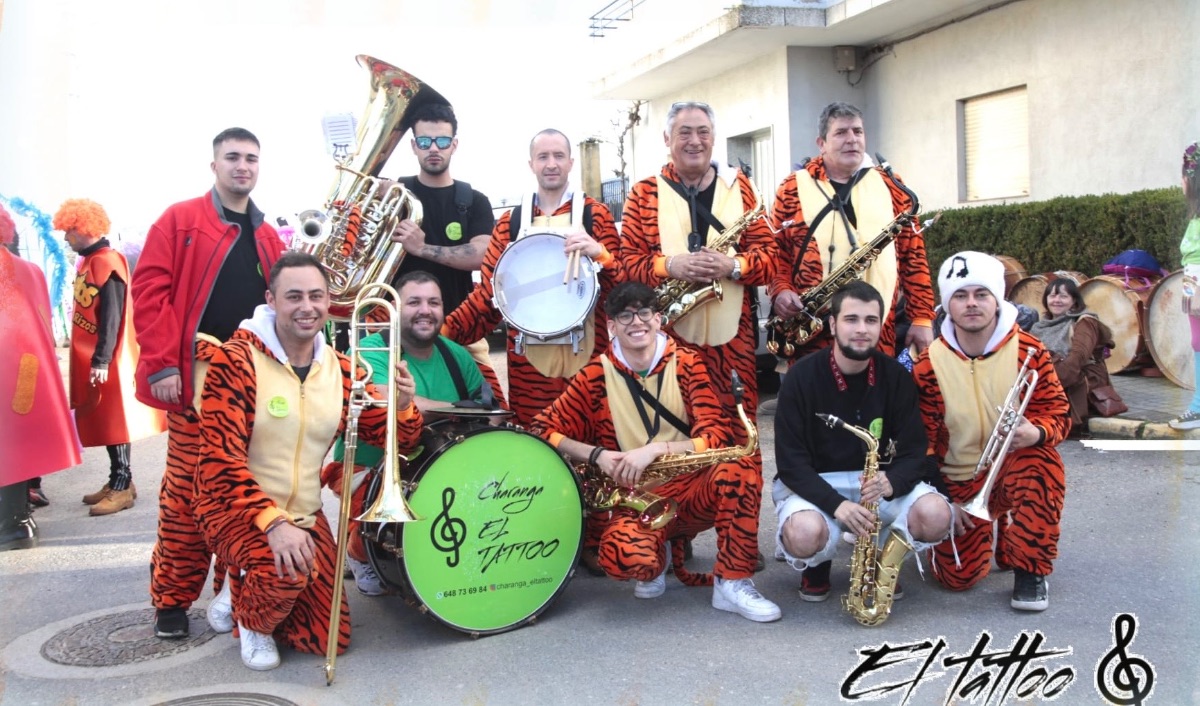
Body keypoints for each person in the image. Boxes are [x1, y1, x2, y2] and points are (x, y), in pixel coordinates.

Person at [192, 252, 422, 670]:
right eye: (294, 296)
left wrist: (404, 405)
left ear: (329, 301)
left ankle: (241, 580)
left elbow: (397, 439)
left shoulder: (344, 370)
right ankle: (252, 621)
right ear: (271, 300)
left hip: (303, 513)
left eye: (317, 296)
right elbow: (218, 461)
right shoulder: (235, 360)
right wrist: (273, 524)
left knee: (329, 636)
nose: (307, 307)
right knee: (287, 573)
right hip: (232, 508)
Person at [533, 282, 781, 622]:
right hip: (638, 495)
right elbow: (541, 429)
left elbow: (716, 435)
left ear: (658, 319)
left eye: (644, 312)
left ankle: (732, 581)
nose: (637, 322)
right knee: (621, 558)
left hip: (692, 488)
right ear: (612, 326)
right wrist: (597, 455)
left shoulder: (688, 363)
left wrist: (656, 450)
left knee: (739, 471)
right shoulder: (594, 375)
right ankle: (657, 552)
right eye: (625, 315)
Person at [132, 127, 285, 639]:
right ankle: (171, 600)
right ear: (214, 164)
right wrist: (164, 364)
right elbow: (149, 294)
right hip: (194, 376)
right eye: (233, 157)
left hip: (253, 381)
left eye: (251, 158)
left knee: (245, 489)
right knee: (185, 495)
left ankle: (232, 592)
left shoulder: (268, 235)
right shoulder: (178, 219)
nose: (243, 166)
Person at [619, 102, 777, 483]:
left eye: (703, 132)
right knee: (671, 439)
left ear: (714, 138)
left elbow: (772, 261)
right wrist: (669, 266)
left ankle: (738, 522)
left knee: (740, 442)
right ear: (667, 139)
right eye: (684, 132)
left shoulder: (743, 189)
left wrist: (732, 266)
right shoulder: (643, 194)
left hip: (733, 347)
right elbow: (625, 266)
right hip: (667, 345)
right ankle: (680, 519)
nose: (695, 141)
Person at [322, 269, 506, 596]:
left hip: (438, 459)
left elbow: (490, 411)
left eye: (434, 303)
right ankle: (357, 550)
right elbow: (390, 402)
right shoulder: (369, 350)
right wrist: (456, 407)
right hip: (372, 467)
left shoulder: (456, 354)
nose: (425, 310)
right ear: (395, 309)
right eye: (414, 302)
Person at [773, 281, 951, 603]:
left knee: (937, 515)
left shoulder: (896, 376)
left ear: (881, 325)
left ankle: (882, 559)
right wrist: (836, 504)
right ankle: (817, 562)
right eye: (851, 319)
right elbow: (790, 464)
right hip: (819, 484)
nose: (861, 329)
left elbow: (914, 450)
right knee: (803, 534)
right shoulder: (800, 377)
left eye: (870, 320)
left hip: (877, 483)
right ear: (832, 325)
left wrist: (893, 481)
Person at [913, 251, 1069, 611]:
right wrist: (941, 499)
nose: (971, 303)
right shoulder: (927, 365)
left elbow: (1058, 413)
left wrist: (1037, 433)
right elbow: (921, 442)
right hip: (959, 480)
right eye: (960, 295)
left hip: (1012, 467)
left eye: (981, 294)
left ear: (997, 300)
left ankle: (1030, 569)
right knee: (957, 579)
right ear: (947, 305)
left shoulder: (1029, 351)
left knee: (1042, 463)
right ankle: (990, 532)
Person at [444, 128, 622, 426]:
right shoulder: (510, 224)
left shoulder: (595, 216)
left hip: (589, 363)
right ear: (531, 164)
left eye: (558, 156)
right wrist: (440, 335)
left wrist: (601, 255)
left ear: (570, 162)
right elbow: (489, 297)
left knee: (591, 438)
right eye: (543, 157)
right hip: (529, 372)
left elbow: (621, 294)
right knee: (536, 438)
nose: (551, 164)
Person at [768, 102, 936, 359]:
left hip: (878, 331)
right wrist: (781, 289)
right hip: (813, 331)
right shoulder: (792, 188)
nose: (852, 139)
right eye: (841, 132)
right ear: (821, 143)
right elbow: (774, 252)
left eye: (858, 131)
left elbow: (913, 257)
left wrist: (922, 317)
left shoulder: (892, 185)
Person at [54, 199, 166, 516]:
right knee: (103, 418)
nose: (66, 238)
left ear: (84, 228)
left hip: (109, 357)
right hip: (94, 355)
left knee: (113, 419)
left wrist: (102, 359)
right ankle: (119, 478)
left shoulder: (107, 262)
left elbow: (113, 316)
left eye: (69, 231)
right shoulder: (91, 261)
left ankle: (122, 484)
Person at [1, 203, 81, 550]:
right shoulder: (29, 270)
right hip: (28, 371)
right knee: (15, 445)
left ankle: (13, 524)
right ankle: (19, 521)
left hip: (9, 370)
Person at [388, 102, 495, 317]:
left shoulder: (475, 200)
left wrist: (421, 248)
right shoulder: (393, 196)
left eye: (443, 141)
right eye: (425, 141)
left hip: (456, 322)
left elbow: (483, 255)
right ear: (414, 146)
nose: (434, 149)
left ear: (454, 145)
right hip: (397, 323)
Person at [1030, 277, 1119, 433]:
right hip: (1048, 379)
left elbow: (1078, 358)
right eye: (1052, 296)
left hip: (1077, 380)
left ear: (1074, 301)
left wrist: (1048, 384)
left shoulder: (1085, 322)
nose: (1057, 300)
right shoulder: (1039, 327)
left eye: (1063, 296)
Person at [1169, 140, 1200, 431]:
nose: (1181, 183)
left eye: (1183, 176)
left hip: (1198, 281)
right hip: (1193, 281)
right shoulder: (1195, 217)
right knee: (1197, 342)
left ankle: (1199, 407)